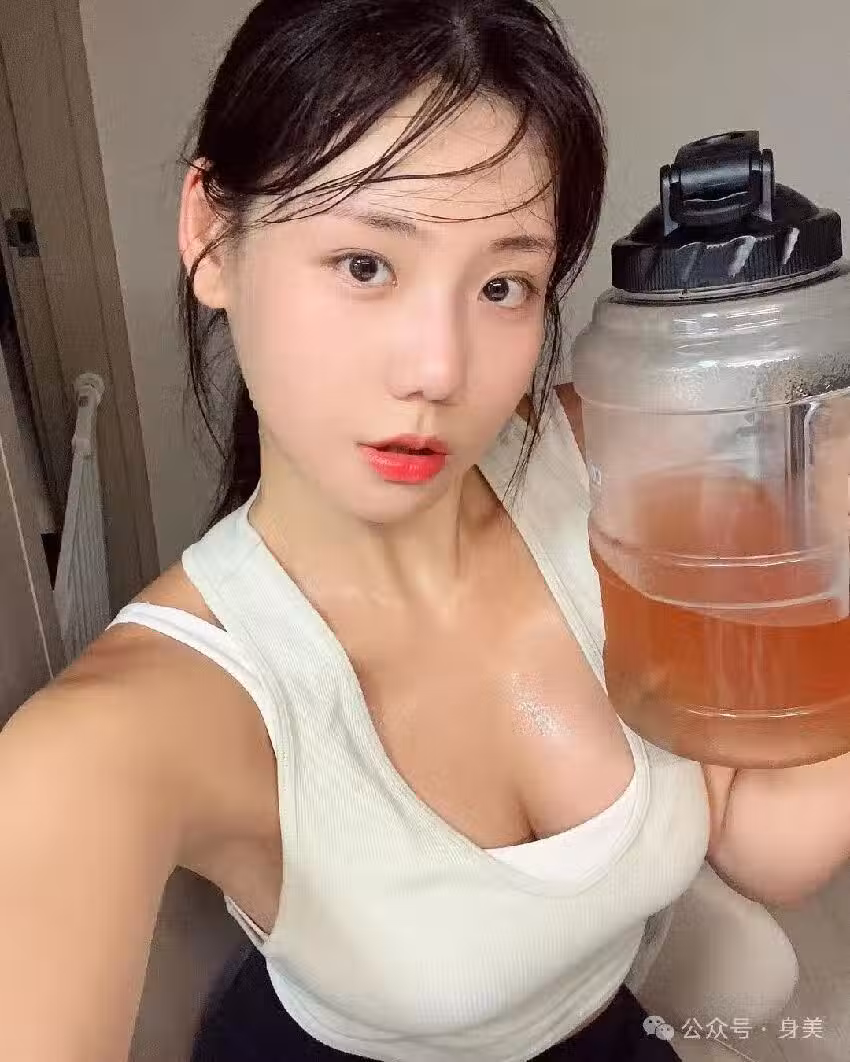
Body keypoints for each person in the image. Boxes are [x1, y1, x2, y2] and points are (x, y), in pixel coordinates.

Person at [1, 2, 849, 1060]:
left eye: (502, 284)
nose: (440, 370)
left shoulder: (611, 468)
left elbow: (764, 840)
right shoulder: (116, 734)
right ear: (211, 235)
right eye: (366, 264)